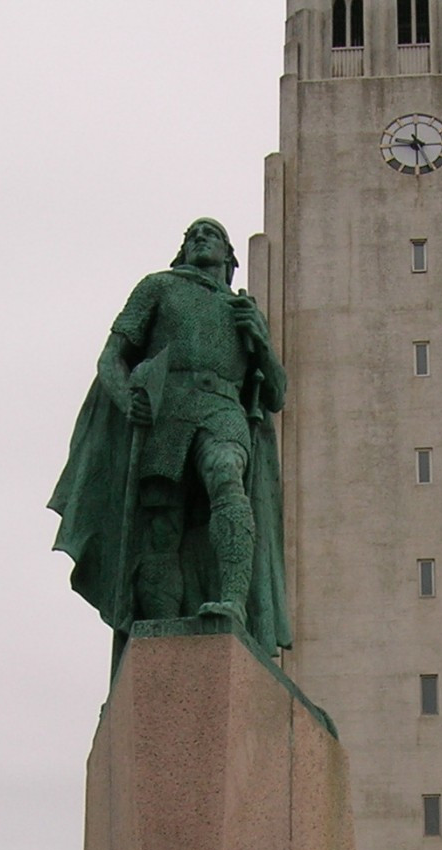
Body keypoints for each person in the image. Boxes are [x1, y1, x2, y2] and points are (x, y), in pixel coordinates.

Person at [48, 218, 291, 659]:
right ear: (182, 251)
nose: (200, 238)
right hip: (169, 410)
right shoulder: (158, 287)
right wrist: (127, 401)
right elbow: (112, 358)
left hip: (223, 407)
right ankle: (159, 632)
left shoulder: (244, 310)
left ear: (229, 256)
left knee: (226, 478)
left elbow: (276, 392)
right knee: (162, 525)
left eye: (211, 234)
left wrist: (260, 339)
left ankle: (234, 602)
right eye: (193, 234)